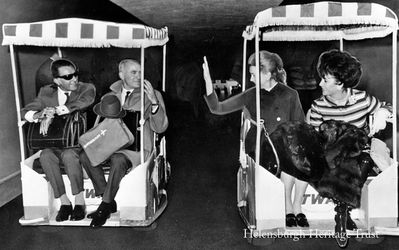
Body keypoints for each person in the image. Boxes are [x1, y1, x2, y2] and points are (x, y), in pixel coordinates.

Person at [203, 50, 309, 227]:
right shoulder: (250, 95)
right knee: (285, 162)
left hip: (284, 147)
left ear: (267, 74)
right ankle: (287, 207)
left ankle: (296, 206)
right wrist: (207, 81)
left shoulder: (290, 95)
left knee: (300, 160)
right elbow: (217, 108)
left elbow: (300, 126)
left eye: (253, 74)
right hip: (260, 147)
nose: (250, 79)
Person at [307, 49, 393, 230]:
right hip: (332, 155)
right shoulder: (318, 106)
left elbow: (388, 108)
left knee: (361, 160)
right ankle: (343, 211)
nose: (320, 83)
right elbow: (314, 138)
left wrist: (382, 113)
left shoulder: (362, 99)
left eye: (325, 79)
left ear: (340, 83)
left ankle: (342, 211)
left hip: (358, 152)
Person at [80, 59, 168, 227]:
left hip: (137, 148)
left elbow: (161, 127)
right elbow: (99, 126)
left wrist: (154, 103)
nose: (139, 76)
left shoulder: (152, 95)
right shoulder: (109, 96)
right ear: (121, 75)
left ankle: (105, 206)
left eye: (141, 72)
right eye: (133, 72)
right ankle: (107, 197)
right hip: (110, 145)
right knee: (85, 155)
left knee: (118, 159)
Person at [21, 58, 96, 221]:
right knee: (45, 156)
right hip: (55, 143)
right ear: (56, 80)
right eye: (68, 77)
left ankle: (80, 201)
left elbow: (84, 102)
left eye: (75, 74)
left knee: (69, 155)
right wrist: (38, 114)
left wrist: (54, 110)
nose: (74, 79)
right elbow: (25, 111)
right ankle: (64, 202)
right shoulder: (46, 92)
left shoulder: (86, 88)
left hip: (80, 142)